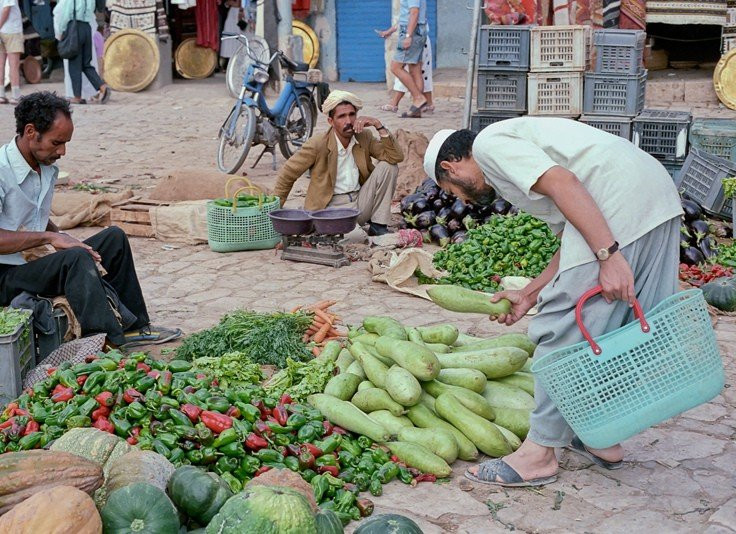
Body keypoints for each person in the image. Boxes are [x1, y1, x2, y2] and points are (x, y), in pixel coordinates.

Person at [422, 118, 683, 487]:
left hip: (620, 204)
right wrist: (530, 293)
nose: (460, 200)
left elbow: (564, 183)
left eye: (452, 189)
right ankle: (600, 434)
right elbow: (574, 234)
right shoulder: (514, 162)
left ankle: (539, 454)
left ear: (451, 168)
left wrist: (608, 256)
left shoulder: (489, 145)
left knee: (560, 328)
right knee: (609, 330)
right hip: (653, 198)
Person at [0, 92, 180, 347]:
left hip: (31, 263)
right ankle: (104, 344)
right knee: (75, 259)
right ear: (31, 131)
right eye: (57, 142)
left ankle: (134, 328)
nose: (62, 151)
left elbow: (33, 215)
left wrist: (63, 238)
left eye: (65, 143)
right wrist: (52, 237)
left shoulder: (43, 166)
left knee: (113, 239)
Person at [273, 90, 404, 237]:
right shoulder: (318, 144)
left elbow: (396, 157)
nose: (348, 121)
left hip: (360, 202)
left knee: (389, 166)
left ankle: (378, 225)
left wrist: (378, 125)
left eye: (352, 115)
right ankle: (351, 232)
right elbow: (288, 174)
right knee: (356, 237)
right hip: (330, 210)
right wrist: (274, 212)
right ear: (331, 121)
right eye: (341, 116)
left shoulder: (364, 136)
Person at [53, 0, 109, 104]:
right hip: (87, 28)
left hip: (75, 28)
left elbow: (65, 14)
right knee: (86, 64)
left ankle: (77, 96)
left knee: (74, 64)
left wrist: (60, 31)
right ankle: (102, 87)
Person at [378, 24, 434, 114]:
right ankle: (426, 103)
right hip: (414, 38)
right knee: (417, 72)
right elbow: (404, 20)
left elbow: (413, 17)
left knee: (408, 71)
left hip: (413, 39)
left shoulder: (415, 11)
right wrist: (390, 31)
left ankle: (417, 102)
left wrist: (408, 36)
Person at [390, 0, 428, 118]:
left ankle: (418, 98)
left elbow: (414, 12)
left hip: (412, 31)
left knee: (396, 67)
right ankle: (416, 109)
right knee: (415, 69)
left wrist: (408, 36)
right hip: (416, 30)